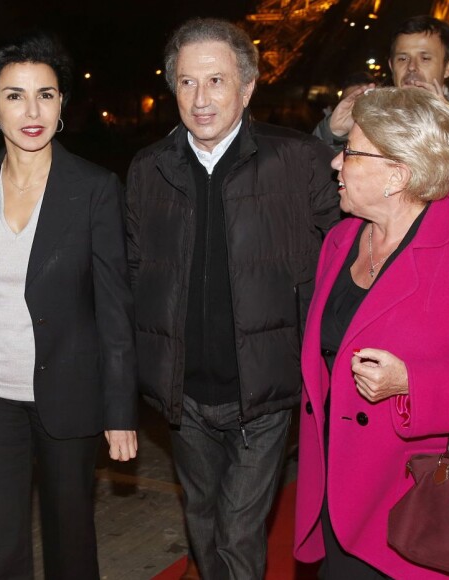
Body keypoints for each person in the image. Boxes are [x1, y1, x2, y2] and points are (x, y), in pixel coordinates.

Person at [125, 17, 341, 580]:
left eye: (216, 81)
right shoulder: (148, 170)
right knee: (200, 516)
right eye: (187, 82)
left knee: (239, 529)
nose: (201, 99)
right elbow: (132, 272)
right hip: (184, 395)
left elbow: (347, 255)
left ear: (246, 88)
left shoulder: (298, 161)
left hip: (263, 392)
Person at [0, 32, 138, 580]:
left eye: (46, 95)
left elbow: (115, 307)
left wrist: (121, 411)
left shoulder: (94, 187)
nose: (32, 110)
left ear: (62, 104)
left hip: (68, 392)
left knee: (71, 546)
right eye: (15, 95)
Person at [294, 86, 449, 579]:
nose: (335, 165)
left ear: (397, 174)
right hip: (335, 487)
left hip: (415, 501)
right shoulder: (341, 240)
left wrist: (413, 384)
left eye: (349, 152)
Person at [320, 15, 449, 213]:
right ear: (391, 65)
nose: (412, 67)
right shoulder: (367, 119)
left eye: (425, 58)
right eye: (402, 58)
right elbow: (314, 187)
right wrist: (331, 133)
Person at [312, 71, 376, 151]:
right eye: (350, 102)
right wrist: (334, 134)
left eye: (363, 103)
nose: (355, 110)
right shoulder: (334, 129)